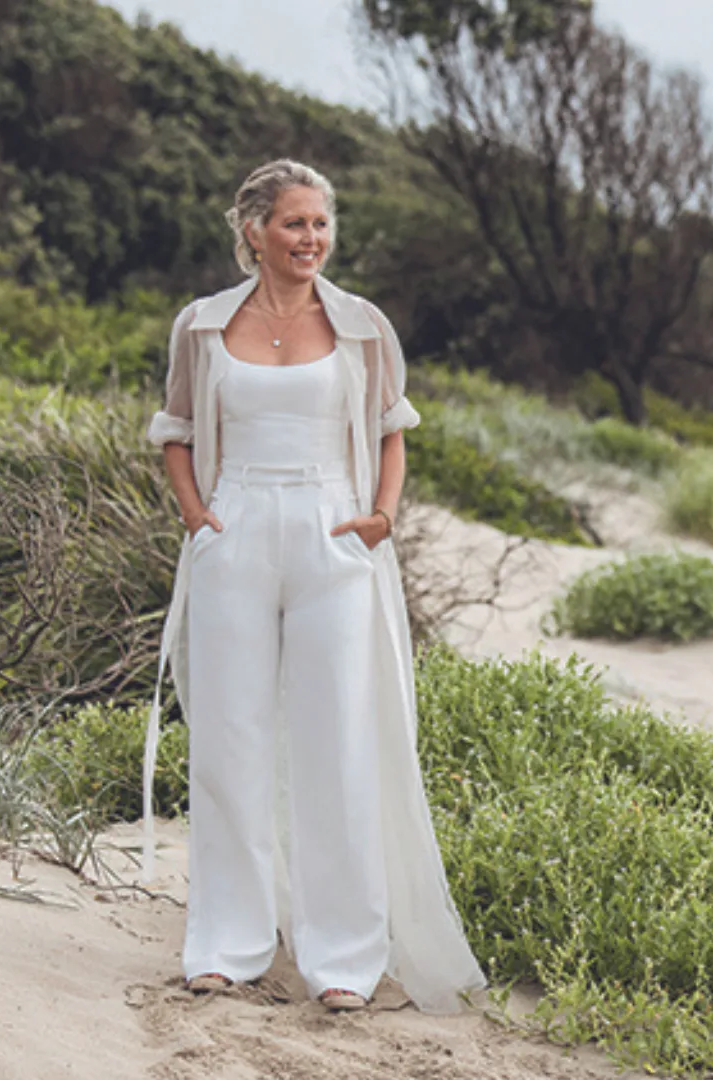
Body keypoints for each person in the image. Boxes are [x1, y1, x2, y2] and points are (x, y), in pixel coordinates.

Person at [139, 159, 486, 1014]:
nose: (311, 239)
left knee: (338, 742)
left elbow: (391, 428)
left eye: (322, 224)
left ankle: (343, 959)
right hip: (235, 527)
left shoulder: (364, 326)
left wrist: (381, 515)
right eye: (295, 224)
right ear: (254, 230)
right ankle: (227, 944)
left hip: (336, 534)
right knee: (230, 741)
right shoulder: (203, 324)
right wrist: (197, 516)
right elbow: (176, 430)